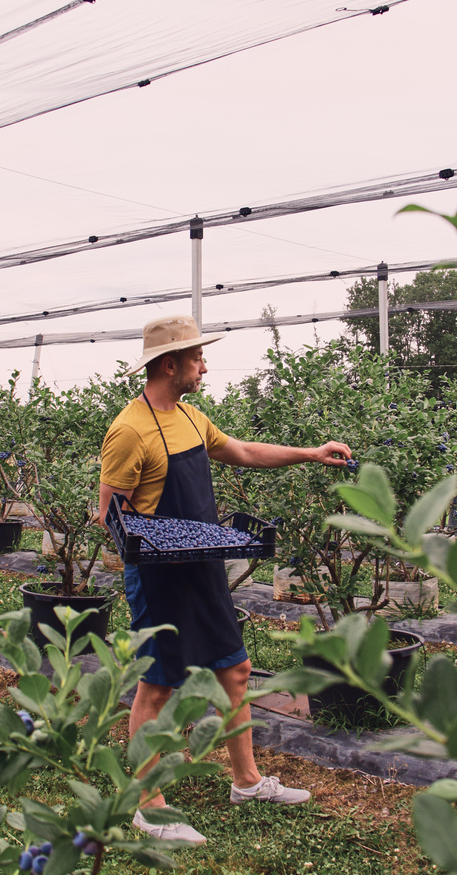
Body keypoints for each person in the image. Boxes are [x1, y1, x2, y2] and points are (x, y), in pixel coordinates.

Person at [98, 315, 351, 845]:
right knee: (158, 687)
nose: (204, 366)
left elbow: (241, 452)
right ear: (171, 365)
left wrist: (310, 453)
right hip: (159, 576)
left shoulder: (191, 418)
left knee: (236, 672)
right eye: (197, 359)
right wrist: (159, 545)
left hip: (204, 563)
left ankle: (247, 782)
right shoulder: (128, 430)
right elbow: (111, 516)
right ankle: (147, 806)